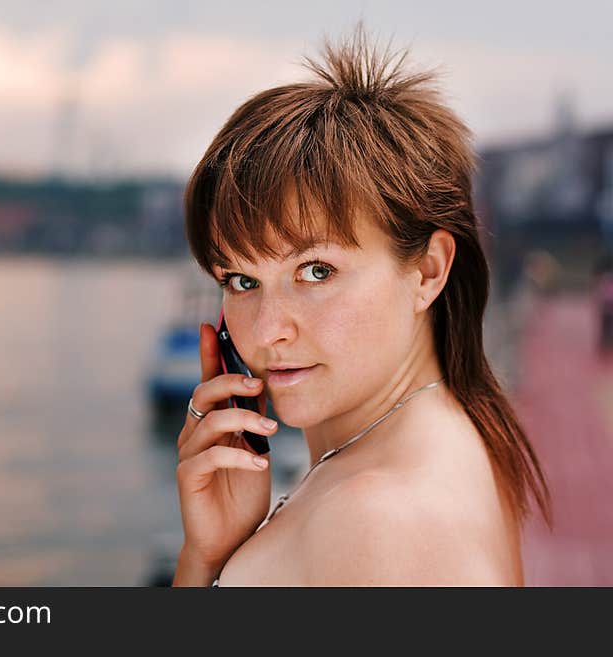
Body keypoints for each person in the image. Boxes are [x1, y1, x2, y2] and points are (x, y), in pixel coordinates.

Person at [172, 23, 553, 587]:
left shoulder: (375, 521)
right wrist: (211, 553)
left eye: (316, 271)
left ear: (427, 271)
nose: (269, 330)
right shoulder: (439, 436)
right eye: (241, 280)